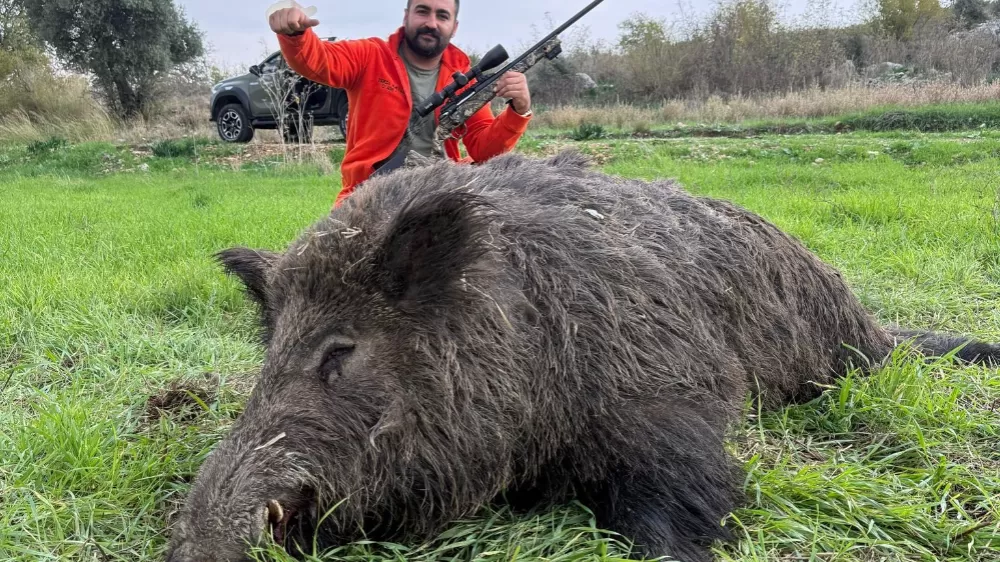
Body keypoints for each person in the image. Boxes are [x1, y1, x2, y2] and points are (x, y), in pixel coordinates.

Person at [268, 0, 534, 206]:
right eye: (422, 11)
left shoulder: (464, 76)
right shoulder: (370, 55)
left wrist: (518, 110)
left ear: (454, 27)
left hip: (443, 190)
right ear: (406, 16)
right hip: (369, 194)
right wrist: (295, 34)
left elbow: (484, 149)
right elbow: (318, 60)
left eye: (442, 15)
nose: (431, 22)